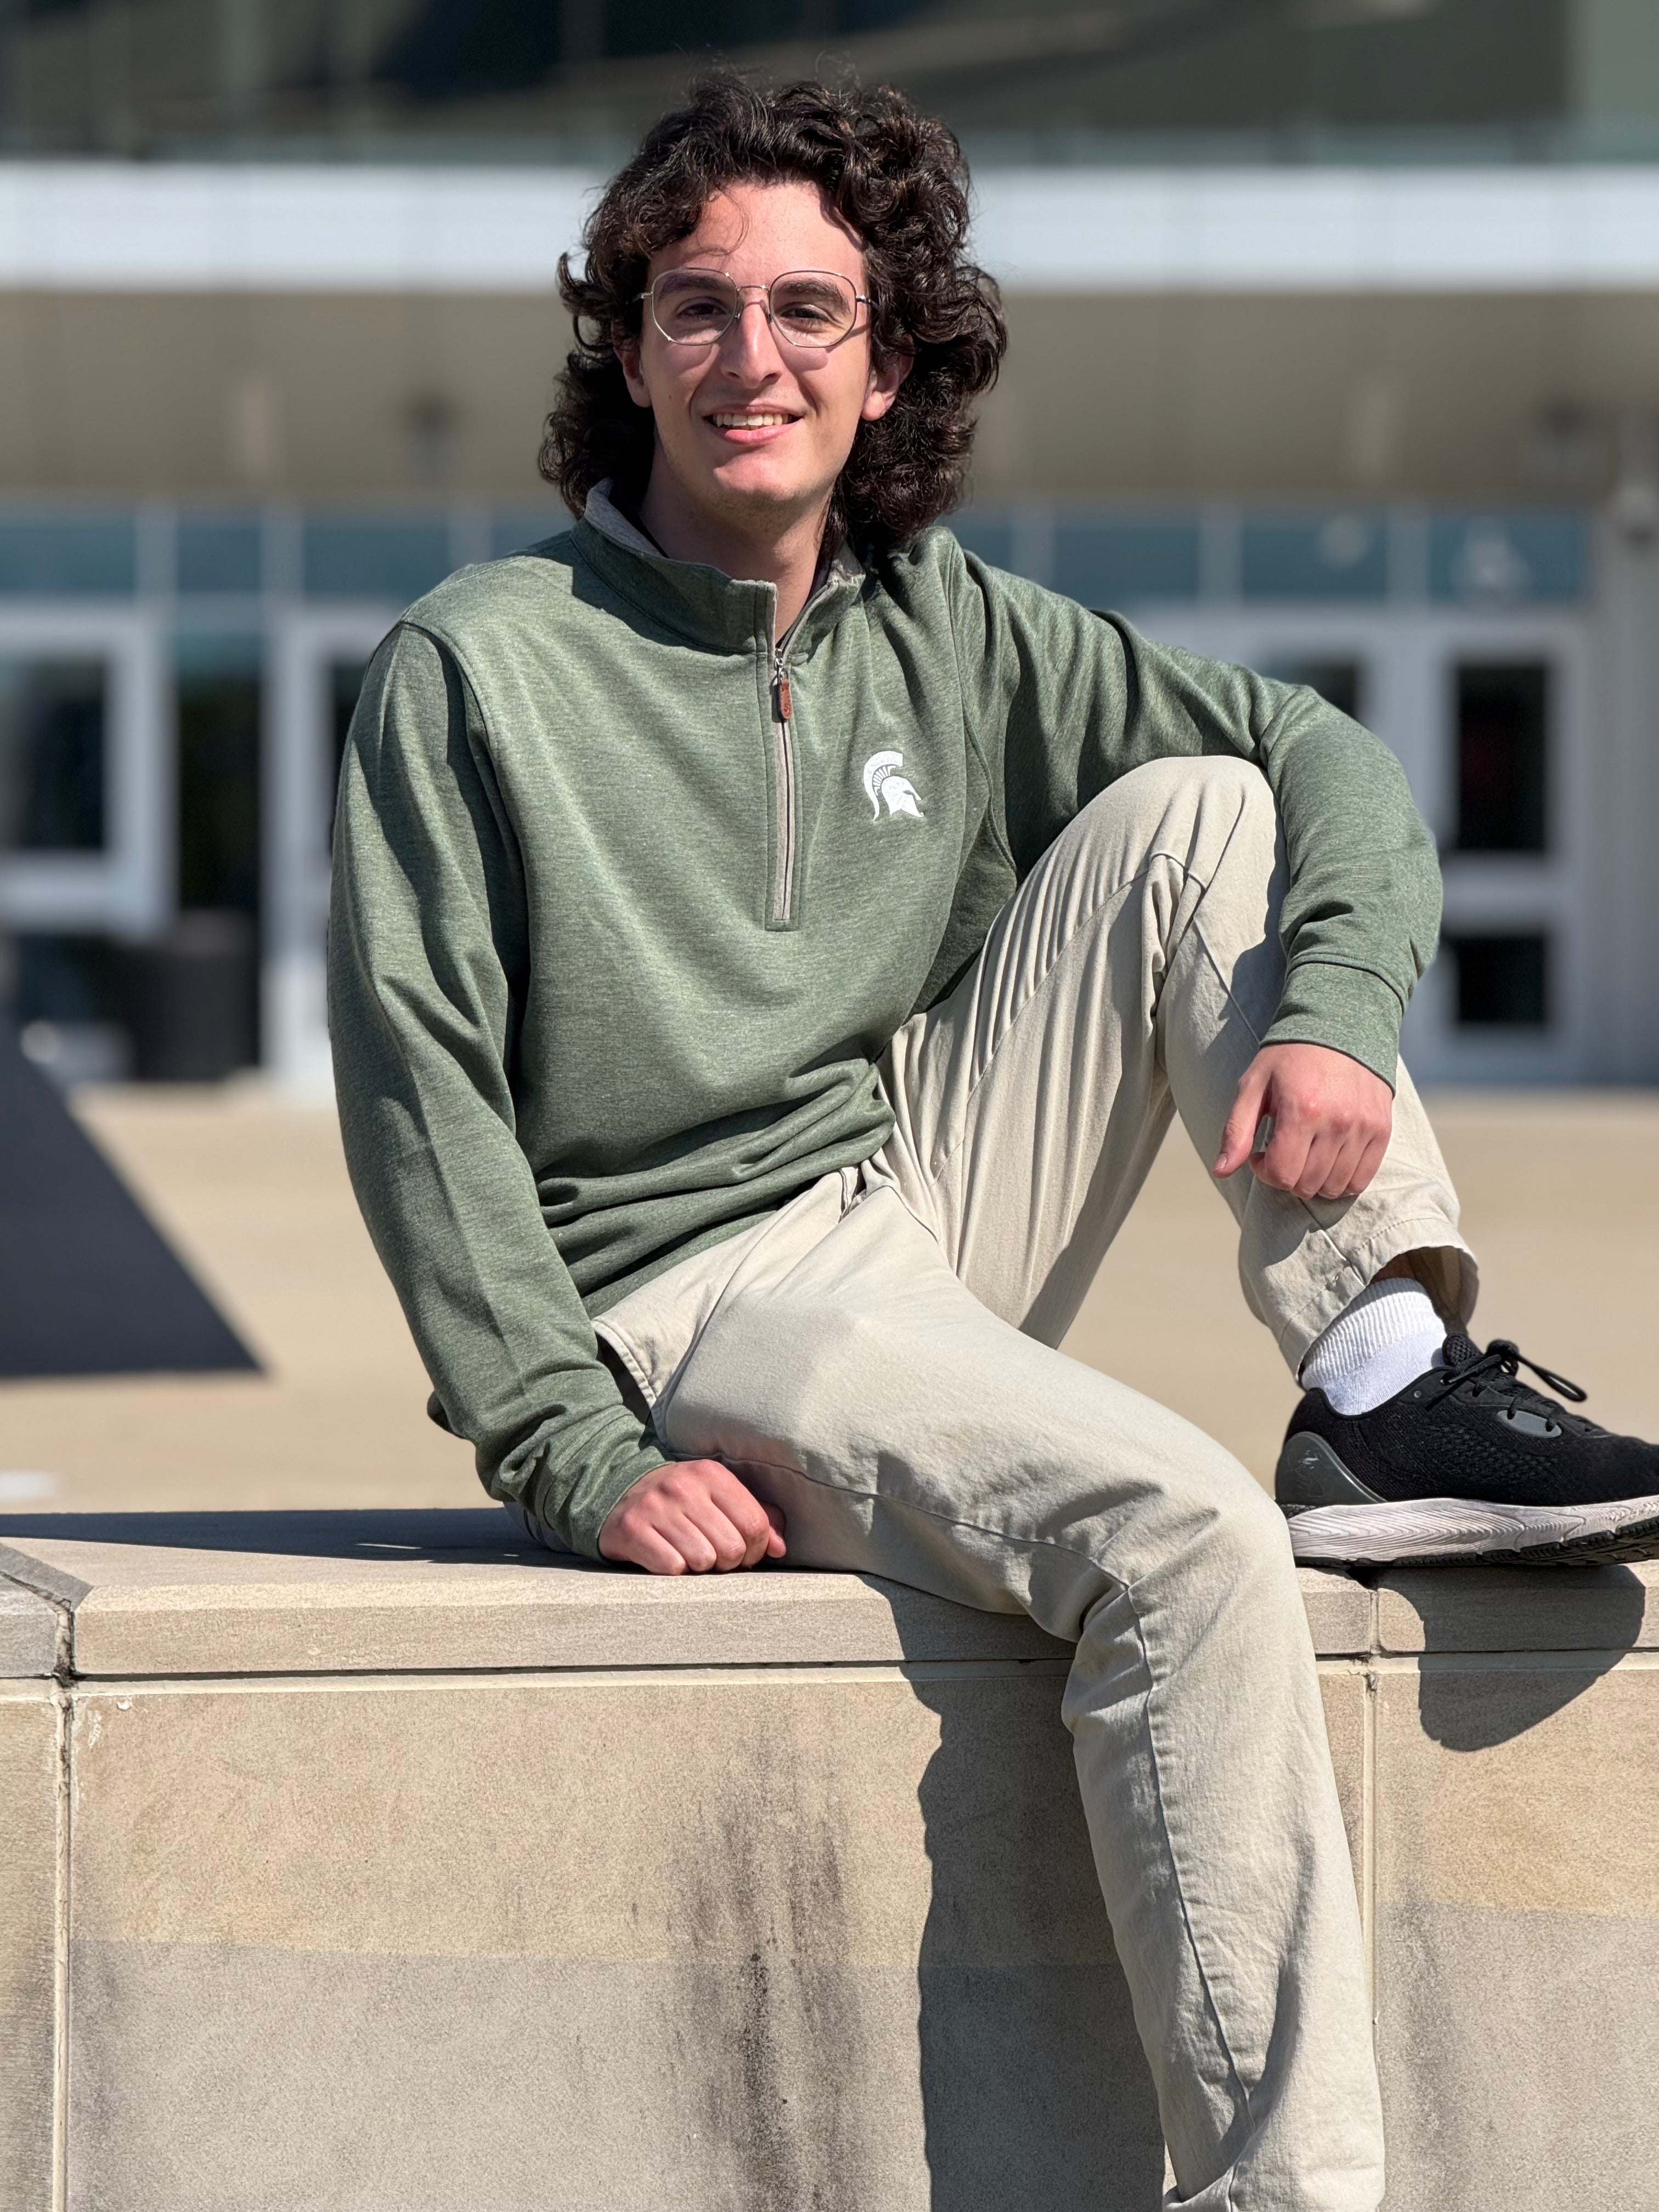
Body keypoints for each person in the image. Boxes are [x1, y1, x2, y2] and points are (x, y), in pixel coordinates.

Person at [328, 73, 1659, 2212]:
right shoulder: (480, 672)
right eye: (696, 306)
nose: (750, 357)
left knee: (1205, 807)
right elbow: (422, 1098)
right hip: (700, 1295)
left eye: (808, 311)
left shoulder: (936, 626)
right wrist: (568, 1451)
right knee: (1186, 1538)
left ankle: (1392, 1385)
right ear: (628, 346)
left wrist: (1326, 1007)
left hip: (909, 1190)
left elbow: (1327, 759)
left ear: (887, 367)